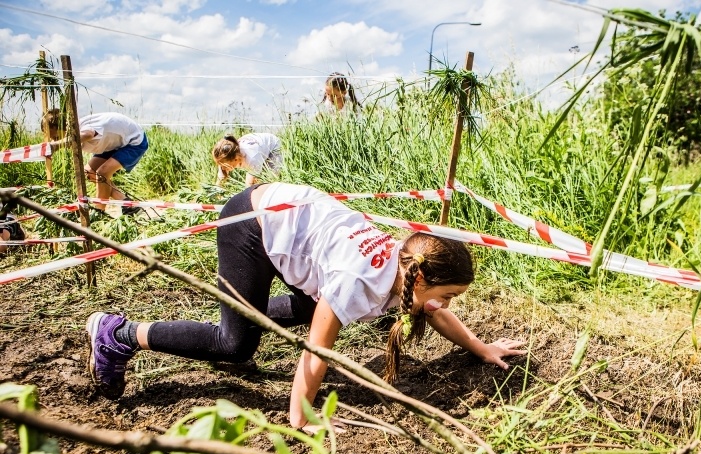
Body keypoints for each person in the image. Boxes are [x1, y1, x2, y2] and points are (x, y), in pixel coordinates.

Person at [85, 182, 525, 433]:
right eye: (447, 294)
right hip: (252, 225)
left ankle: (240, 311)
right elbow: (315, 353)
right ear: (423, 279)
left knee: (285, 314)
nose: (447, 304)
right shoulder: (358, 284)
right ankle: (117, 334)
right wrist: (301, 416)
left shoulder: (406, 262)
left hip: (293, 222)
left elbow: (433, 310)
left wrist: (481, 347)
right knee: (236, 345)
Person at [42, 109, 148, 215]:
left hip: (134, 141)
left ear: (60, 127)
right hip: (113, 144)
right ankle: (126, 203)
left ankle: (99, 213)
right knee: (88, 172)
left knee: (103, 173)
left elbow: (88, 134)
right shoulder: (73, 130)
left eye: (56, 137)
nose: (54, 140)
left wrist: (55, 146)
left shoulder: (83, 129)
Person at [212, 133, 282, 188]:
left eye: (226, 166)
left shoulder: (252, 157)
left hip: (272, 146)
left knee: (270, 180)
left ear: (235, 158)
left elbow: (249, 185)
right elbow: (220, 179)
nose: (224, 168)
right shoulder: (225, 156)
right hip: (257, 146)